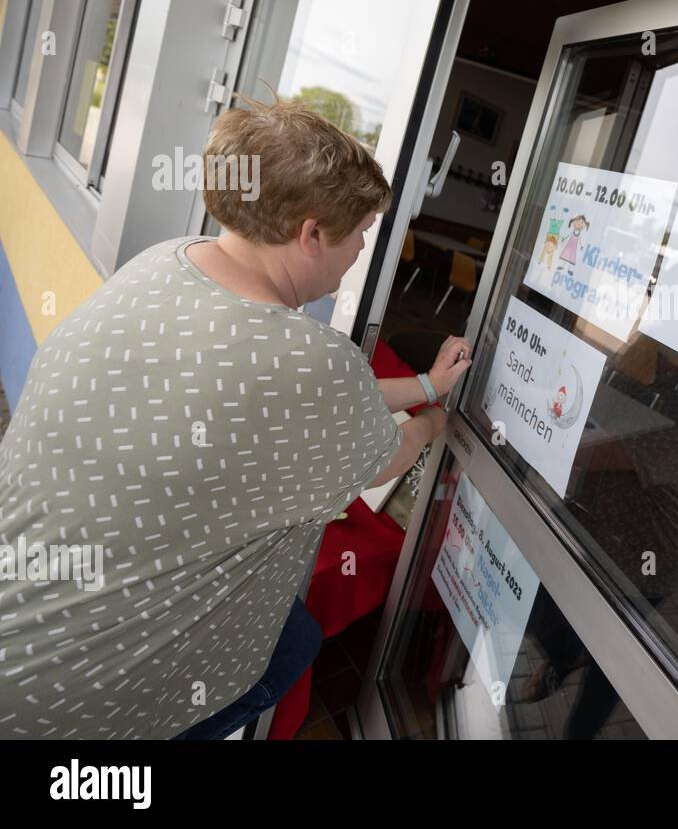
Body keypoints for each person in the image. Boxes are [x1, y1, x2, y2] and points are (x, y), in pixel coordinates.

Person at [0, 97, 471, 739]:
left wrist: (423, 383)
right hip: (91, 709)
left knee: (294, 630)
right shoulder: (308, 358)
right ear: (311, 234)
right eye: (362, 230)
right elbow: (384, 452)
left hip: (23, 632)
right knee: (293, 644)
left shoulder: (166, 264)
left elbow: (326, 397)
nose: (366, 246)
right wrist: (438, 420)